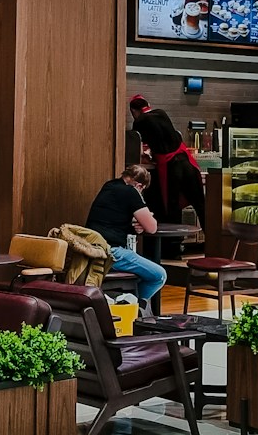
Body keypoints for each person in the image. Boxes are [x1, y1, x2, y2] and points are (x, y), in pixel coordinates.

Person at [84, 164, 167, 311]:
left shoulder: (109, 186)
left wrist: (135, 225)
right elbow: (152, 227)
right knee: (158, 275)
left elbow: (112, 218)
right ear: (139, 185)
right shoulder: (130, 191)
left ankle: (129, 303)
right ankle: (135, 307)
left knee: (142, 273)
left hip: (94, 249)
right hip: (113, 253)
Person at [128, 94, 207, 230]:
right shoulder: (161, 113)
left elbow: (140, 149)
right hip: (186, 163)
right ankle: (213, 243)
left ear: (134, 111)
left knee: (172, 207)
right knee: (200, 205)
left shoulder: (139, 122)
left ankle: (172, 245)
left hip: (172, 167)